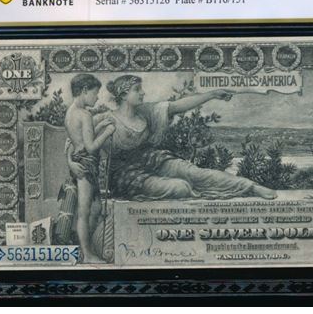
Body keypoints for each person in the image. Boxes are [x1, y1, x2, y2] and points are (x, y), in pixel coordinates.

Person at [67, 74, 276, 202]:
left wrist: (211, 94)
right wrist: (70, 162)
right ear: (123, 94)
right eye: (137, 90)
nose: (143, 93)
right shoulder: (103, 118)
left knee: (194, 173)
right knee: (180, 187)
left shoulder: (146, 112)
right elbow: (72, 142)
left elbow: (178, 106)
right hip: (126, 175)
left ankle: (250, 186)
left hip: (152, 159)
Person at [64, 73, 116, 262]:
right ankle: (87, 254)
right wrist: (108, 131)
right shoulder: (85, 114)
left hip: (80, 162)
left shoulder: (71, 112)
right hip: (86, 165)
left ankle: (88, 249)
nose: (97, 97)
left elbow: (75, 139)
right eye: (95, 93)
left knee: (95, 208)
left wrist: (100, 125)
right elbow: (91, 146)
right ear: (84, 91)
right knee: (85, 211)